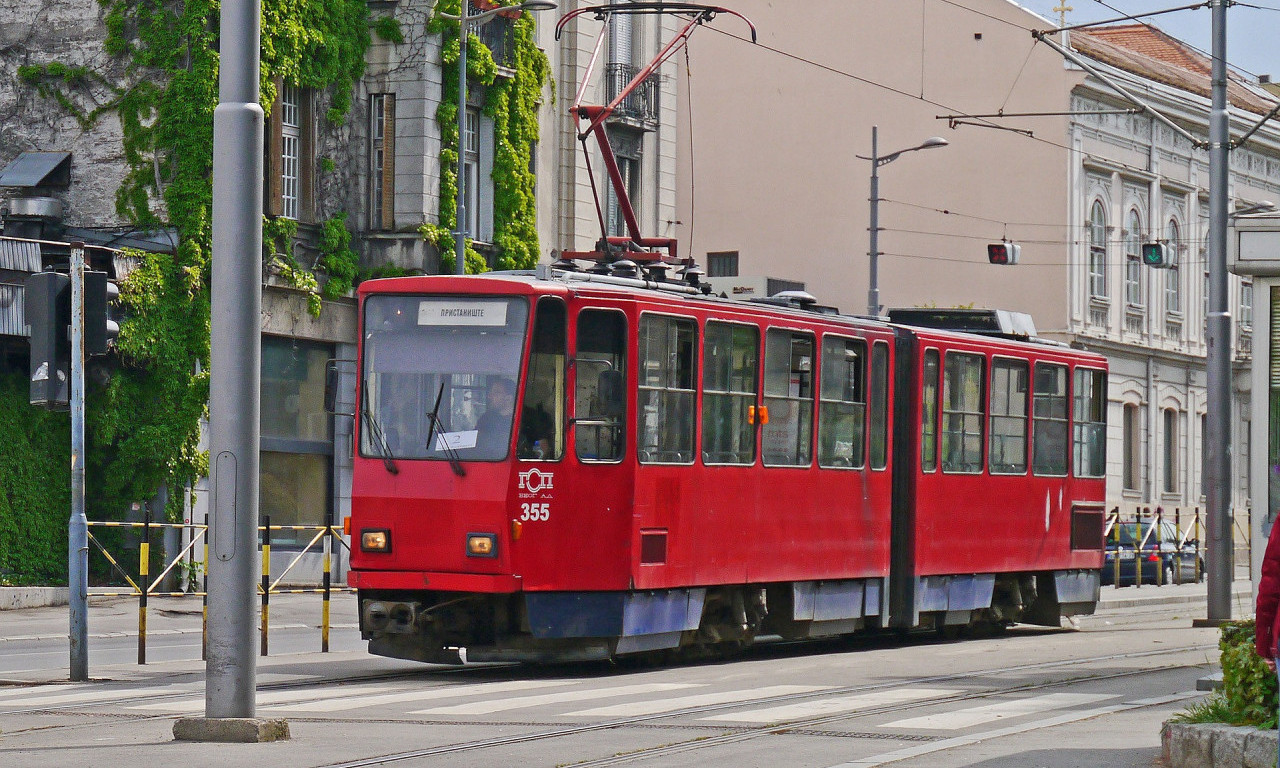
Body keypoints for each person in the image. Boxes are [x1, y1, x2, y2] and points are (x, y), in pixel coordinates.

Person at [473, 377, 515, 458]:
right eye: (491, 392)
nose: (490, 396)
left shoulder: (523, 420)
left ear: (508, 398)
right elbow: (475, 443)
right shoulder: (486, 419)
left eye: (496, 392)